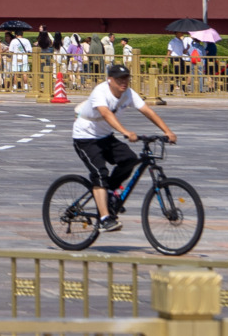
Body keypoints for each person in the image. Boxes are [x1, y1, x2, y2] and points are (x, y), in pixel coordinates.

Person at [72, 63, 177, 231]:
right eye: (120, 79)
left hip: (105, 137)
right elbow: (106, 114)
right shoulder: (101, 92)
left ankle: (110, 194)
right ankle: (105, 218)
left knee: (129, 159)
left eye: (126, 78)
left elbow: (147, 110)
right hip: (85, 138)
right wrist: (125, 131)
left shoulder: (128, 93)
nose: (124, 82)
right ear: (110, 80)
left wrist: (167, 131)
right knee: (100, 174)